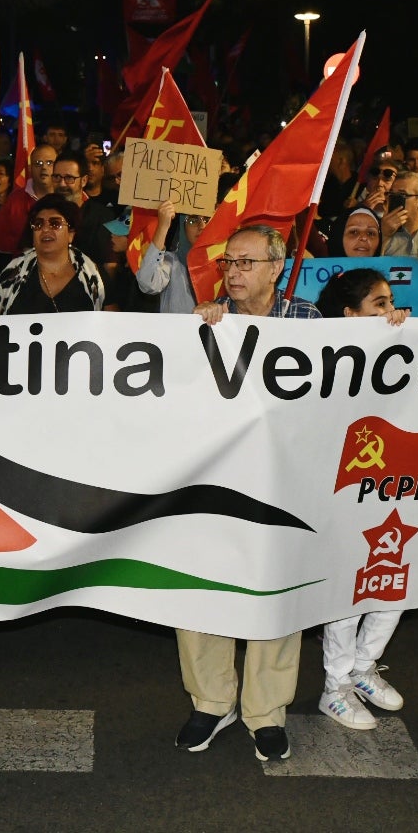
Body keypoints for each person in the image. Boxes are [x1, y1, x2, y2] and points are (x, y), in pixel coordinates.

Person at [177, 225, 319, 761]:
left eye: (246, 262)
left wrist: (392, 328)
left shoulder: (308, 322)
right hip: (214, 481)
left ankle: (266, 711)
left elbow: (358, 374)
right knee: (199, 588)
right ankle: (211, 701)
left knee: (275, 591)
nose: (233, 273)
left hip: (284, 481)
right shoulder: (205, 322)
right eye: (228, 263)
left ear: (276, 267)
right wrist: (193, 335)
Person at [313, 268, 409, 731]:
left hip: (394, 480)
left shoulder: (408, 346)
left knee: (395, 577)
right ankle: (336, 687)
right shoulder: (322, 355)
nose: (391, 312)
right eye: (380, 304)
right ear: (350, 315)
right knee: (349, 589)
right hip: (344, 484)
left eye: (391, 301)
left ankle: (363, 668)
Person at [0, 195, 105, 314]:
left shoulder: (94, 273)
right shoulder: (11, 274)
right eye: (38, 224)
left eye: (55, 224)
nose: (45, 229)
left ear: (71, 234)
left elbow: (110, 324)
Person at [135, 199, 205, 314]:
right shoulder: (170, 261)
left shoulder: (225, 262)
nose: (202, 226)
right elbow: (148, 282)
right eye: (192, 220)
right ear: (183, 228)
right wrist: (163, 226)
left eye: (207, 219)